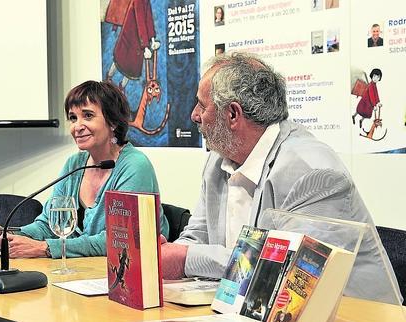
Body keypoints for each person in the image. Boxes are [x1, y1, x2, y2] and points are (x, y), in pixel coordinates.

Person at [160, 52, 401, 303]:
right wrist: (169, 252)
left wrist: (186, 258)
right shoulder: (218, 161)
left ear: (233, 114)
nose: (194, 115)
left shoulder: (313, 172)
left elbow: (285, 275)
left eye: (202, 105)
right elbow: (197, 235)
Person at [0, 81, 169, 258]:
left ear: (112, 122)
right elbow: (48, 224)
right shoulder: (74, 164)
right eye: (73, 118)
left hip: (124, 274)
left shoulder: (135, 166)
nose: (77, 127)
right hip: (81, 272)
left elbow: (119, 240)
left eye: (88, 115)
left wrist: (46, 248)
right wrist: (10, 234)